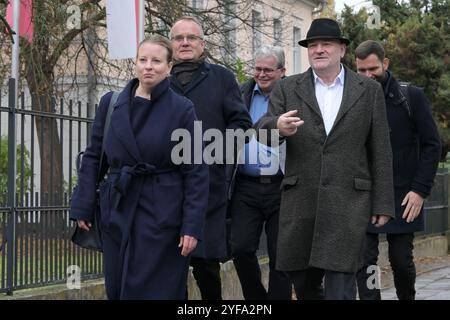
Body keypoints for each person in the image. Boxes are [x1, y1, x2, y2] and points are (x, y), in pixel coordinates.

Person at [255, 18, 395, 300]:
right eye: (312, 45)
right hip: (301, 200)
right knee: (304, 284)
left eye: (326, 44)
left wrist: (383, 202)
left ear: (342, 49)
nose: (318, 50)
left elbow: (380, 148)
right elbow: (263, 130)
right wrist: (276, 127)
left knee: (341, 285)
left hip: (348, 202)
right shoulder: (288, 87)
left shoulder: (368, 90)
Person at [70, 35, 209, 299]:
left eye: (156, 61)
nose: (148, 66)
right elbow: (93, 156)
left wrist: (191, 225)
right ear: (134, 63)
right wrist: (83, 204)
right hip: (118, 209)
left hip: (163, 214)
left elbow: (196, 171)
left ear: (169, 67)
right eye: (143, 59)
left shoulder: (182, 109)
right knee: (119, 286)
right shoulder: (110, 103)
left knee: (158, 290)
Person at [169, 16, 252, 300]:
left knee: (205, 267)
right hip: (163, 189)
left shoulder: (222, 78)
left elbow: (242, 125)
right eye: (179, 38)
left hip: (207, 188)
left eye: (191, 37)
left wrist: (213, 155)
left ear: (202, 44)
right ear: (171, 44)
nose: (185, 42)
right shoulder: (158, 79)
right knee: (169, 268)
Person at [354, 40, 441, 300]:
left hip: (404, 194)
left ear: (386, 63)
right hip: (365, 193)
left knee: (401, 260)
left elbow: (432, 144)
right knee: (366, 261)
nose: (368, 76)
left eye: (373, 69)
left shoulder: (410, 96)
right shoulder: (352, 98)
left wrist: (419, 190)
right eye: (361, 71)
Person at [229, 45, 292, 300]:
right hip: (246, 185)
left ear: (282, 71)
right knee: (241, 249)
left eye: (268, 69)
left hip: (282, 185)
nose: (261, 74)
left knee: (281, 255)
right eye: (257, 69)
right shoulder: (240, 92)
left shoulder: (293, 95)